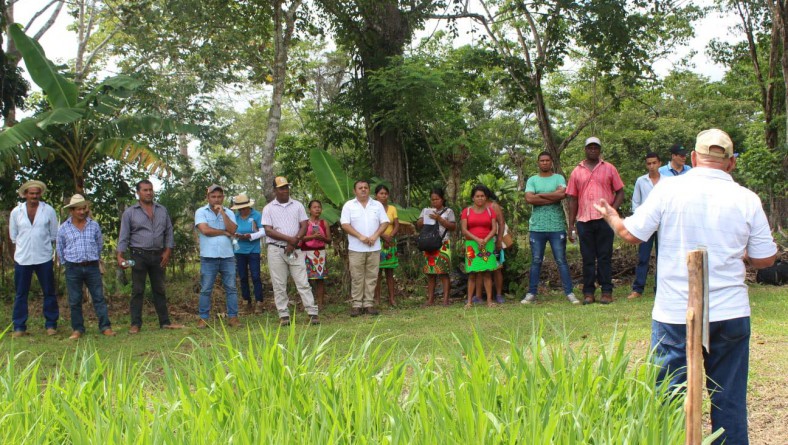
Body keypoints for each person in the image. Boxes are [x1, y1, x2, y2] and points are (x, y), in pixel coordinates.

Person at [594, 128, 777, 445]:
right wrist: (741, 252)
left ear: (693, 158)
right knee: (729, 401)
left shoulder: (668, 191)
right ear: (731, 163)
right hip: (730, 313)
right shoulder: (747, 199)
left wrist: (611, 216)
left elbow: (630, 234)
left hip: (675, 313)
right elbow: (765, 260)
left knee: (669, 400)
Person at [117, 179, 184, 333]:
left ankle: (165, 322)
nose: (148, 193)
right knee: (137, 289)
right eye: (145, 190)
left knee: (159, 289)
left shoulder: (162, 210)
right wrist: (120, 255)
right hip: (138, 255)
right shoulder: (130, 212)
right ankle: (135, 324)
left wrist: (167, 251)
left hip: (158, 255)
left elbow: (169, 232)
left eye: (150, 189)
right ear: (138, 193)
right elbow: (124, 236)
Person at [566, 136, 625, 305]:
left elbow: (620, 191)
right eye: (590, 147)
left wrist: (611, 210)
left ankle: (606, 291)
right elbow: (573, 199)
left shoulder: (609, 168)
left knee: (605, 256)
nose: (593, 150)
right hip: (584, 220)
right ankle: (588, 293)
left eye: (596, 147)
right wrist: (571, 225)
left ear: (599, 150)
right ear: (585, 149)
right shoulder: (577, 171)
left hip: (604, 220)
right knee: (588, 258)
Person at [261, 176, 320, 326]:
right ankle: (284, 316)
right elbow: (268, 230)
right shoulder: (268, 208)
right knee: (279, 284)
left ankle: (312, 313)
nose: (285, 190)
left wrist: (294, 242)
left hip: (295, 249)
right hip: (276, 250)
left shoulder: (298, 205)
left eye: (286, 187)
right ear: (275, 190)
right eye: (281, 188)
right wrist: (290, 239)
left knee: (302, 281)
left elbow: (304, 225)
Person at [522, 152, 579, 305]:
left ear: (551, 162)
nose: (545, 163)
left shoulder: (559, 178)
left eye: (547, 160)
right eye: (542, 160)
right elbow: (529, 198)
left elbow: (562, 194)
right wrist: (552, 196)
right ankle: (531, 293)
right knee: (536, 261)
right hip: (537, 227)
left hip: (557, 226)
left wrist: (539, 196)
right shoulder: (532, 179)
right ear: (538, 162)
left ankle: (569, 293)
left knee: (561, 260)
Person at [57, 194, 116, 339]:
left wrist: (93, 259)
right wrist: (67, 264)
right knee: (75, 300)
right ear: (71, 210)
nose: (82, 212)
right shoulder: (64, 228)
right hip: (73, 267)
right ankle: (77, 329)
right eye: (78, 209)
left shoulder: (94, 225)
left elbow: (99, 245)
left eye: (84, 208)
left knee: (98, 297)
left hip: (91, 267)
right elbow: (60, 248)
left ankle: (105, 327)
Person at [9, 180, 59, 337]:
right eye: (31, 193)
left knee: (49, 292)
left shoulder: (48, 210)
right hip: (22, 259)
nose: (34, 196)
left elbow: (53, 234)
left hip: (43, 257)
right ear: (25, 195)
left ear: (40, 194)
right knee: (21, 293)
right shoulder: (16, 212)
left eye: (37, 193)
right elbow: (13, 236)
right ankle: (19, 326)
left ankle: (51, 325)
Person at [340, 180, 390, 316]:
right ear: (354, 191)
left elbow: (385, 222)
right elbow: (345, 224)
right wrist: (360, 236)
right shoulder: (349, 206)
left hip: (374, 247)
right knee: (357, 277)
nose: (363, 190)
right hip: (356, 248)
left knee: (372, 276)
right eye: (360, 188)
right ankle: (356, 304)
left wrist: (375, 236)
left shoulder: (377, 205)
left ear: (369, 190)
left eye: (365, 188)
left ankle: (368, 304)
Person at [194, 184, 241, 328]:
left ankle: (233, 317)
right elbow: (205, 230)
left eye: (219, 196)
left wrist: (223, 214)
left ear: (223, 197)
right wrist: (223, 232)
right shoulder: (201, 211)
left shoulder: (229, 212)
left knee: (231, 288)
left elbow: (233, 229)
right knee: (206, 288)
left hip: (227, 256)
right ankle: (203, 318)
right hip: (208, 257)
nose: (216, 199)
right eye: (213, 196)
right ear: (208, 197)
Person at [415, 188, 456, 306]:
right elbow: (418, 225)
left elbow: (453, 227)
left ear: (442, 199)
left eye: (437, 199)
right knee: (430, 272)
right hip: (429, 243)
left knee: (444, 272)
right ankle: (430, 300)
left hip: (443, 243)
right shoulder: (426, 210)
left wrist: (439, 219)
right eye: (432, 199)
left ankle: (445, 300)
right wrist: (423, 220)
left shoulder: (449, 211)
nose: (434, 202)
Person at [629, 152, 661, 299]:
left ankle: (660, 288)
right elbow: (636, 201)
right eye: (649, 163)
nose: (652, 166)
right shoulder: (641, 181)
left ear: (659, 163)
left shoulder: (667, 181)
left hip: (663, 224)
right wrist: (640, 217)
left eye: (654, 163)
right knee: (643, 257)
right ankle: (638, 289)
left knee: (663, 256)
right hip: (646, 224)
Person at [461, 185, 498, 308]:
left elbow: (494, 229)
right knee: (472, 274)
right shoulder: (466, 211)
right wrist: (477, 240)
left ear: (486, 197)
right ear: (473, 198)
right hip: (472, 245)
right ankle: (469, 302)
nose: (480, 198)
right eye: (477, 196)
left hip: (488, 244)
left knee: (487, 273)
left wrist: (486, 240)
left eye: (482, 196)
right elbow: (464, 230)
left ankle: (489, 301)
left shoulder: (490, 211)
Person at [231, 193, 265, 314]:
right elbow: (231, 230)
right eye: (240, 208)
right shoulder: (235, 217)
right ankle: (246, 301)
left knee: (255, 276)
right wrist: (235, 235)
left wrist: (250, 236)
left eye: (244, 207)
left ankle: (259, 302)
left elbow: (263, 231)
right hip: (239, 250)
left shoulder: (256, 215)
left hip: (253, 250)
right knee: (243, 277)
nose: (242, 210)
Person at [301, 200, 332, 307]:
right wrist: (313, 237)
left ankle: (320, 303)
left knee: (320, 279)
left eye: (319, 207)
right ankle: (308, 303)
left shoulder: (324, 223)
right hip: (306, 253)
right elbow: (300, 238)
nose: (317, 209)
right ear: (309, 210)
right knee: (306, 279)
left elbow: (329, 240)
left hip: (320, 254)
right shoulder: (305, 223)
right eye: (314, 207)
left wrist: (321, 237)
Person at [374, 184, 399, 306]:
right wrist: (383, 236)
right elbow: (372, 226)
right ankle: (377, 299)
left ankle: (392, 299)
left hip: (391, 243)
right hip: (377, 242)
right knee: (377, 273)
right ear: (376, 195)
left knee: (390, 272)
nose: (383, 196)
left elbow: (396, 225)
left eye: (385, 193)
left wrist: (391, 236)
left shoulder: (392, 209)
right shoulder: (372, 209)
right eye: (381, 193)